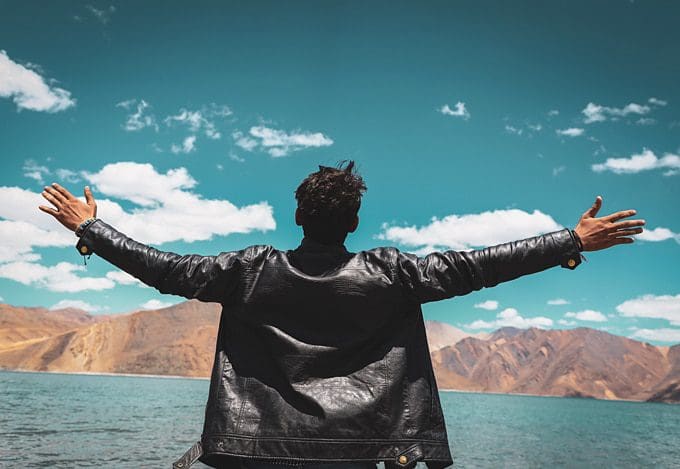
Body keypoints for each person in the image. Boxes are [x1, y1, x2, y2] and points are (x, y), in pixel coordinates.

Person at [38, 160, 644, 469]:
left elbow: (163, 268)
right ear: (354, 221)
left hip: (254, 452)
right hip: (365, 455)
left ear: (298, 216)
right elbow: (480, 265)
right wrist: (571, 240)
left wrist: (91, 228)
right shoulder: (393, 274)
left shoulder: (248, 270)